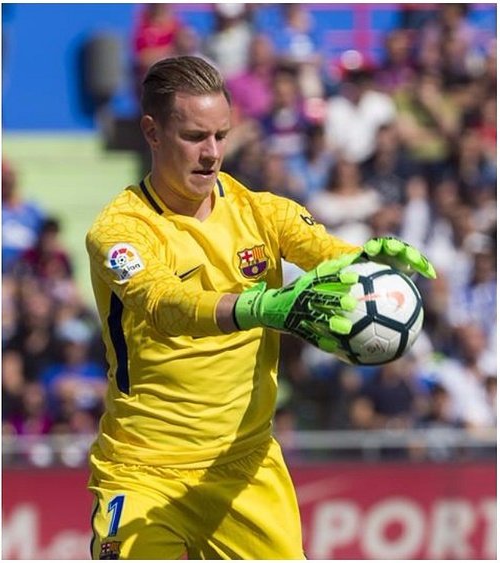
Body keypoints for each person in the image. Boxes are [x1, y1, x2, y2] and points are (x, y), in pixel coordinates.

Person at [84, 55, 435, 559]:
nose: (211, 154)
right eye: (194, 137)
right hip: (143, 470)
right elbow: (162, 302)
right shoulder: (120, 231)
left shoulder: (264, 211)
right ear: (152, 132)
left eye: (221, 136)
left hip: (246, 466)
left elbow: (326, 252)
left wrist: (366, 259)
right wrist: (260, 307)